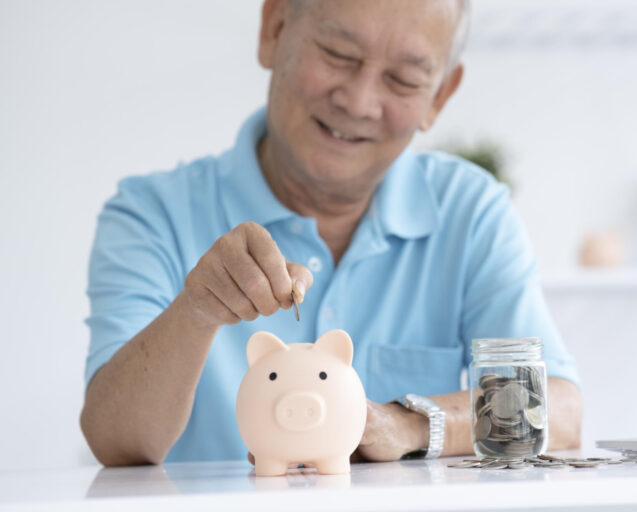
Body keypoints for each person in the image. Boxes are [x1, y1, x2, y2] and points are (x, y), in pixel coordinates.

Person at [80, 0, 583, 467]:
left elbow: (557, 409)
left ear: (440, 95)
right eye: (338, 54)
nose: (360, 101)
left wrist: (410, 424)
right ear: (274, 30)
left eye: (403, 79)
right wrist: (196, 310)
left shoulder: (470, 212)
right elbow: (116, 440)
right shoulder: (153, 214)